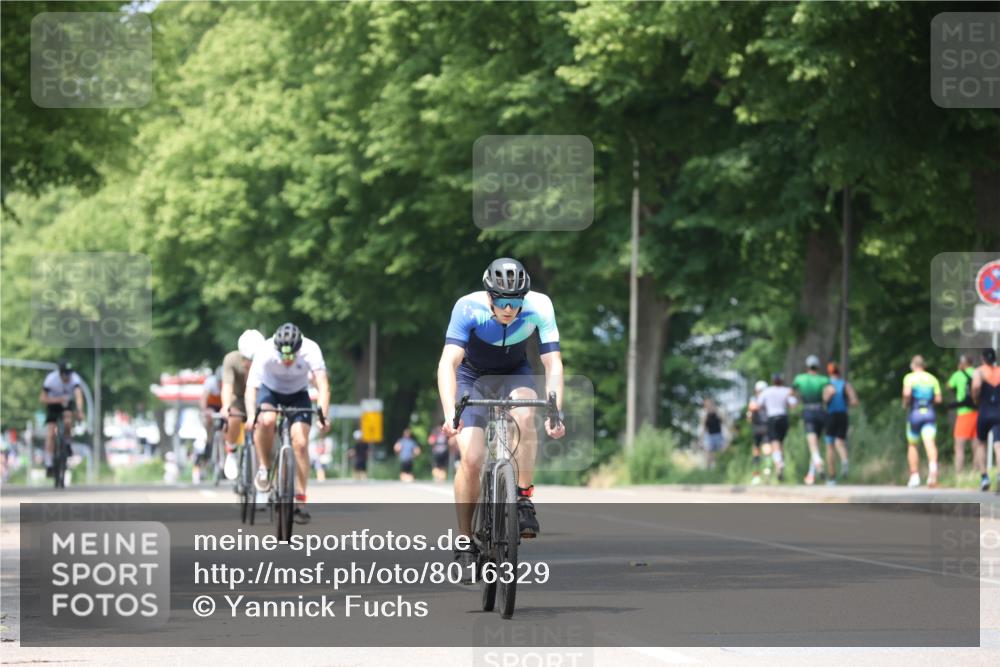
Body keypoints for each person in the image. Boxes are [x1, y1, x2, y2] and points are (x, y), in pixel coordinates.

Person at [438, 257, 566, 579]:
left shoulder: (540, 306)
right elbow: (447, 364)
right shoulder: (468, 308)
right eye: (502, 301)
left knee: (525, 418)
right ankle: (465, 539)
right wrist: (449, 414)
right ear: (489, 297)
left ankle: (523, 498)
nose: (509, 309)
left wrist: (555, 409)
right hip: (472, 377)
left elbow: (553, 364)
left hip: (514, 373)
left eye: (516, 301)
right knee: (472, 458)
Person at [246, 322, 331, 524]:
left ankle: (300, 500)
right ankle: (264, 468)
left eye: (291, 356)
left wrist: (323, 415)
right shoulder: (265, 350)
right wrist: (251, 415)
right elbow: (251, 388)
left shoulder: (311, 349)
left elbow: (323, 386)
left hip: (298, 394)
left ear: (299, 349)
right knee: (266, 420)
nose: (286, 360)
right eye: (283, 356)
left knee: (301, 443)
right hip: (270, 392)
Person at [219, 329, 266, 481]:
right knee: (234, 417)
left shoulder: (265, 362)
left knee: (266, 422)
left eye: (253, 360)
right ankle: (231, 450)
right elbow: (227, 386)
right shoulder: (231, 360)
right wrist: (226, 406)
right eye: (246, 359)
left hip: (258, 397)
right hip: (238, 398)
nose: (249, 363)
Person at [947, 354, 987, 490]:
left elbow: (948, 386)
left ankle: (959, 476)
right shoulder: (978, 373)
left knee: (959, 448)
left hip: (963, 414)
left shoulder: (958, 374)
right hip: (978, 413)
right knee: (978, 446)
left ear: (962, 363)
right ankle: (976, 475)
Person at [902, 355, 942, 488]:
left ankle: (914, 476)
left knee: (913, 444)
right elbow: (938, 399)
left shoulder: (910, 377)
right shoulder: (932, 379)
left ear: (913, 366)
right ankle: (932, 470)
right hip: (929, 413)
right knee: (930, 443)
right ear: (924, 365)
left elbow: (907, 394)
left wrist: (905, 404)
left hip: (915, 413)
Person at [39, 360, 85, 477]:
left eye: (69, 374)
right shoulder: (51, 379)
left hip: (66, 403)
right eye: (65, 374)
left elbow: (78, 394)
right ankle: (49, 463)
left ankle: (67, 443)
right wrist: (57, 400)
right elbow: (43, 398)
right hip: (53, 404)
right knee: (51, 432)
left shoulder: (74, 378)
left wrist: (80, 411)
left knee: (68, 420)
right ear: (60, 373)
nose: (68, 377)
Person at [792, 355, 829, 485]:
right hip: (821, 411)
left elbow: (793, 394)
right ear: (818, 366)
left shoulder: (800, 379)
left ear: (807, 366)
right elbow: (828, 393)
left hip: (808, 411)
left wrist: (795, 402)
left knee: (812, 445)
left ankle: (818, 461)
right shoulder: (824, 379)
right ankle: (811, 475)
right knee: (816, 445)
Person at [822, 362, 858, 484]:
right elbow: (854, 401)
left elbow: (825, 399)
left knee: (830, 446)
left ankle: (832, 477)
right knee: (840, 442)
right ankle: (844, 460)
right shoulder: (845, 384)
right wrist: (845, 402)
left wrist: (829, 396)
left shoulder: (828, 385)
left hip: (831, 416)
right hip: (843, 415)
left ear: (829, 372)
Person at [971, 347, 1000, 493]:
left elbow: (976, 386)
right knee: (998, 445)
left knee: (980, 443)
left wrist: (975, 399)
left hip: (984, 411)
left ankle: (984, 477)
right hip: (999, 412)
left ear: (983, 358)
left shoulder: (979, 371)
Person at [758, 373, 795, 482]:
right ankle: (780, 467)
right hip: (783, 418)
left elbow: (759, 405)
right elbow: (793, 404)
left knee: (775, 443)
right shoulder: (786, 390)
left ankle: (779, 464)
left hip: (772, 418)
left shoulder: (767, 391)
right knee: (780, 443)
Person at [196, 365, 224, 484]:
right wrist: (205, 411)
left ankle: (226, 455)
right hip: (211, 407)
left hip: (223, 407)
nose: (220, 384)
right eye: (219, 381)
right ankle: (209, 440)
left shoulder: (228, 385)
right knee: (209, 421)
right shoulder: (210, 383)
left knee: (226, 430)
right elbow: (203, 399)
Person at [747, 380, 769, 485]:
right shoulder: (767, 398)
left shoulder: (756, 399)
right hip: (761, 426)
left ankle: (762, 472)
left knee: (761, 449)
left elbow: (751, 408)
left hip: (761, 426)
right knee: (759, 449)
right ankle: (761, 473)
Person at [699, 398, 726, 470]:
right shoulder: (704, 413)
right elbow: (703, 426)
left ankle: (719, 465)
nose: (707, 406)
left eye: (708, 404)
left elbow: (723, 421)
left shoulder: (718, 411)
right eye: (706, 405)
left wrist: (717, 412)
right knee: (708, 451)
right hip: (709, 435)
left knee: (721, 451)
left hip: (719, 434)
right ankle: (710, 467)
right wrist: (701, 438)